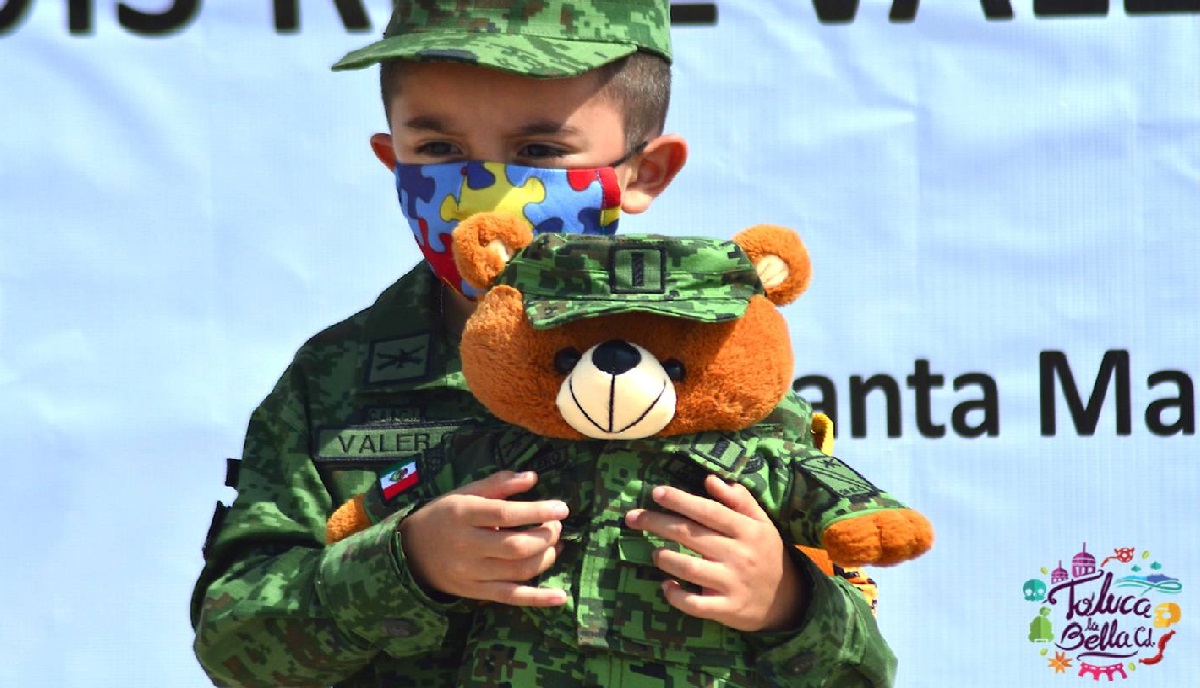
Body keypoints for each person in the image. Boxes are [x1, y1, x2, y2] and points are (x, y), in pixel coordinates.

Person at [190, 1, 896, 686]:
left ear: (645, 172)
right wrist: (405, 564)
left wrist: (784, 603)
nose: (484, 191)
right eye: (438, 149)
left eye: (538, 151)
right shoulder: (334, 381)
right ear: (392, 160)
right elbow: (234, 646)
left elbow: (865, 671)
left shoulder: (720, 375)